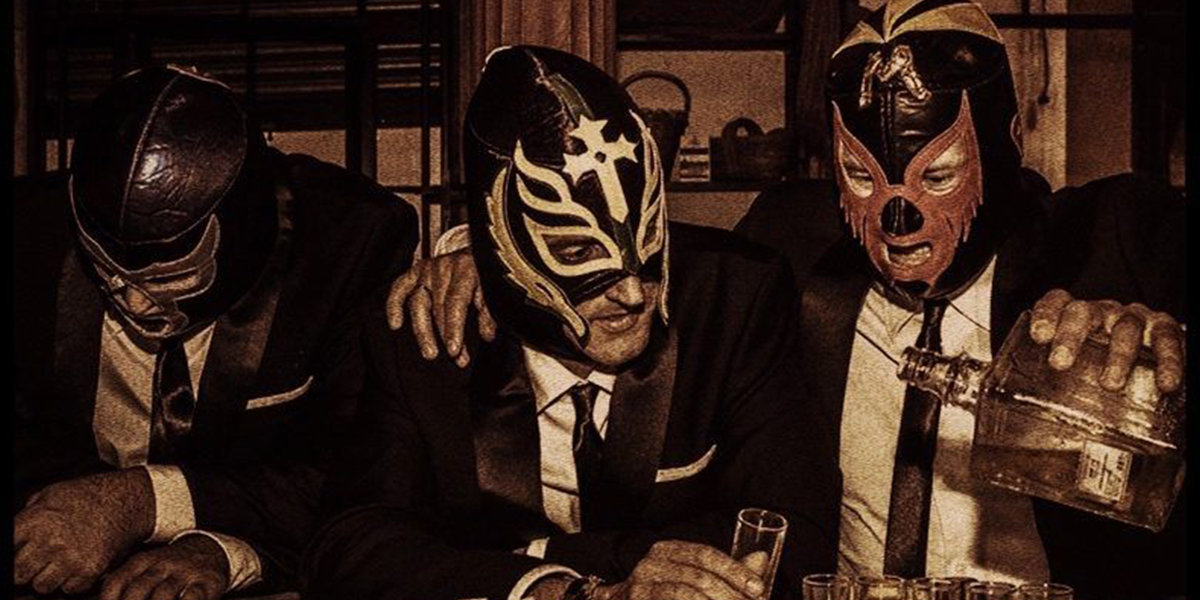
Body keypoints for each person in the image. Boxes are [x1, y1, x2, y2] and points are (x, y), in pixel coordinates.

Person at [384, 3, 1185, 599]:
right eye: (861, 176)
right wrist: (478, 253)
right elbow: (637, 236)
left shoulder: (1115, 240)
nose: (897, 219)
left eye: (938, 175)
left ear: (1005, 149)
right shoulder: (792, 244)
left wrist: (1162, 349)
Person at [302, 45, 840, 600]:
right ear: (498, 249)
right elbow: (350, 547)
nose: (631, 293)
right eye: (577, 251)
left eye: (648, 242)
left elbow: (793, 535)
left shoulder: (732, 299)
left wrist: (537, 558)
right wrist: (551, 589)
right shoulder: (427, 331)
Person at [14, 64, 418, 599]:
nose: (133, 302)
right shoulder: (24, 237)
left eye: (170, 278)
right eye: (107, 274)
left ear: (243, 236)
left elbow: (364, 477)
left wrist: (154, 509)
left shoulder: (349, 242)